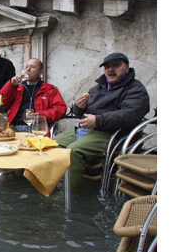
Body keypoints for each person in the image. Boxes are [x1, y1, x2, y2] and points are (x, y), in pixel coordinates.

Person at [54, 53, 150, 189]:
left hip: (111, 133)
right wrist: (79, 108)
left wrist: (98, 120)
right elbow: (81, 114)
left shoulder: (136, 89)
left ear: (127, 68)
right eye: (107, 67)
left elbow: (130, 115)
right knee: (50, 144)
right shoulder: (98, 88)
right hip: (88, 129)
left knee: (73, 151)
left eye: (116, 66)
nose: (111, 70)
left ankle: (67, 195)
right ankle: (53, 183)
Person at [0, 58, 67, 134]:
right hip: (15, 127)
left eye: (32, 67)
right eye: (26, 67)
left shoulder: (49, 89)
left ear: (40, 72)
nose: (28, 70)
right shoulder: (17, 88)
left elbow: (60, 109)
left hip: (37, 127)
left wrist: (41, 115)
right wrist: (11, 85)